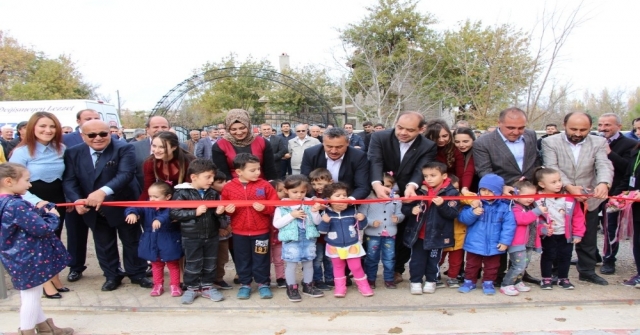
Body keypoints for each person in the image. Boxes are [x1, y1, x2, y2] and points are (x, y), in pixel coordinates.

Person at [62, 120, 151, 291]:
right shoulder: (73, 152)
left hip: (122, 203)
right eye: (92, 135)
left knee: (132, 240)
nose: (98, 138)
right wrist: (77, 200)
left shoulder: (124, 148)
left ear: (110, 133)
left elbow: (125, 174)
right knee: (103, 243)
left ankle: (137, 273)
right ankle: (112, 275)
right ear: (82, 136)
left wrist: (102, 192)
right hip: (93, 208)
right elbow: (70, 180)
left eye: (103, 134)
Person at [0, 163, 74, 335]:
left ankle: (43, 326)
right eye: (26, 180)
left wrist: (39, 211)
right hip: (29, 257)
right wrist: (52, 216)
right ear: (9, 181)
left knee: (32, 290)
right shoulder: (16, 205)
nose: (30, 185)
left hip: (16, 257)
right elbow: (40, 228)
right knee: (31, 296)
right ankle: (27, 330)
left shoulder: (6, 203)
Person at [542, 112, 613, 286]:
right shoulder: (549, 142)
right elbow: (552, 167)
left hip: (588, 199)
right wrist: (568, 187)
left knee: (587, 236)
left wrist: (604, 183)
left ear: (590, 128)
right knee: (559, 235)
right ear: (564, 124)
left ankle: (587, 271)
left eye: (583, 130)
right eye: (573, 129)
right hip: (559, 198)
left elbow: (603, 164)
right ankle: (556, 271)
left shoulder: (599, 142)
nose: (578, 133)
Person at [368, 111, 437, 284]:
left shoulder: (428, 146)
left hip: (408, 192)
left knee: (405, 230)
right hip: (380, 189)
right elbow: (375, 161)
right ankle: (368, 271)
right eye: (400, 127)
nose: (403, 133)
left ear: (421, 129)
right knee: (371, 229)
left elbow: (420, 169)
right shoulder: (379, 137)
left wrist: (412, 186)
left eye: (410, 130)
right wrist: (377, 185)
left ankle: (397, 269)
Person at [9, 112, 69, 298]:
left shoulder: (61, 148)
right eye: (42, 126)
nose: (48, 130)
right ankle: (45, 285)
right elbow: (13, 183)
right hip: (33, 202)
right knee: (39, 244)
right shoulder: (21, 152)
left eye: (52, 126)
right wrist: (38, 203)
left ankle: (55, 278)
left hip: (57, 200)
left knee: (54, 240)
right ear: (32, 128)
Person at [219, 153, 279, 300]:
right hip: (239, 232)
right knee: (242, 258)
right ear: (239, 171)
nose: (257, 173)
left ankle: (263, 283)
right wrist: (228, 210)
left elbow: (275, 205)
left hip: (261, 231)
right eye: (252, 170)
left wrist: (264, 208)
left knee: (261, 257)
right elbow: (224, 204)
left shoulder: (264, 185)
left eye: (258, 169)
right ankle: (245, 284)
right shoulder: (229, 187)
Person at [170, 159, 225, 304]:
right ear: (194, 177)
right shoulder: (182, 193)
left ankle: (207, 286)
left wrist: (219, 212)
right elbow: (174, 213)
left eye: (213, 177)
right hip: (191, 236)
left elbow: (218, 215)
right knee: (193, 263)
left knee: (210, 262)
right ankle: (192, 288)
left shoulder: (213, 193)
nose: (211, 180)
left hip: (211, 235)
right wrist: (194, 213)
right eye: (208, 177)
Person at [404, 162, 459, 295]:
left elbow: (453, 214)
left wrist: (442, 205)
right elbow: (404, 207)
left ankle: (431, 280)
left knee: (434, 260)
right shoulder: (419, 189)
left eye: (433, 175)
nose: (429, 178)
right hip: (419, 234)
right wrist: (412, 210)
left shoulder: (451, 192)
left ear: (444, 176)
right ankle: (415, 281)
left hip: (438, 234)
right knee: (417, 260)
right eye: (426, 175)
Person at [457, 174, 516, 295]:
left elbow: (509, 226)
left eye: (491, 191)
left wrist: (505, 242)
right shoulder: (474, 203)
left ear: (499, 191)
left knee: (492, 266)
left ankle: (488, 282)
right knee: (472, 264)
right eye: (483, 190)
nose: (486, 193)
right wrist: (473, 212)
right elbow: (463, 219)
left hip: (494, 243)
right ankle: (469, 281)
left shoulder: (505, 206)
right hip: (474, 242)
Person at [61, 109, 102, 283]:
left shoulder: (108, 138)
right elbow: (66, 174)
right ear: (78, 121)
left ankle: (111, 268)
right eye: (88, 119)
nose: (92, 121)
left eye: (95, 118)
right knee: (76, 234)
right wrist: (73, 198)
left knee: (103, 234)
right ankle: (76, 266)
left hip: (101, 197)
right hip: (75, 197)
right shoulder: (66, 140)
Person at [125, 181, 182, 297]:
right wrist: (132, 213)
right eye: (150, 196)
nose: (152, 199)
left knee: (173, 264)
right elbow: (135, 207)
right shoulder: (147, 205)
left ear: (168, 197)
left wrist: (159, 219)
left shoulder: (172, 206)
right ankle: (157, 285)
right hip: (151, 240)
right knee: (156, 265)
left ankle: (175, 285)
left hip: (169, 240)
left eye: (155, 197)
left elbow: (170, 214)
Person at [273, 175, 324, 302]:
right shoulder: (282, 206)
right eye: (294, 192)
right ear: (286, 190)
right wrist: (291, 215)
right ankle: (291, 287)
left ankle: (308, 285)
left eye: (302, 191)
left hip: (308, 239)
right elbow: (277, 224)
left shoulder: (309, 203)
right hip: (291, 240)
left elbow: (318, 222)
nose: (299, 195)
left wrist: (314, 211)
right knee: (291, 265)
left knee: (309, 263)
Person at [317, 182, 373, 298]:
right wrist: (325, 222)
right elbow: (321, 232)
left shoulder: (353, 211)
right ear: (328, 199)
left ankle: (364, 286)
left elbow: (361, 227)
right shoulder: (325, 213)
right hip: (334, 245)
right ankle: (340, 287)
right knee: (338, 267)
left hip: (352, 244)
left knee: (356, 267)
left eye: (344, 195)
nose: (342, 197)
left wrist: (362, 219)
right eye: (338, 195)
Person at [597, 113, 636, 275]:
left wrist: (609, 153)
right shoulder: (594, 141)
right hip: (594, 192)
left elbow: (628, 168)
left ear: (618, 127)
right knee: (587, 226)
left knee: (610, 228)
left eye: (607, 125)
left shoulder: (630, 144)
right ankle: (590, 256)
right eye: (600, 125)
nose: (603, 128)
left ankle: (609, 260)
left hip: (615, 193)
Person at [534, 167, 585, 290]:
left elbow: (578, 216)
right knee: (548, 255)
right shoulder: (536, 198)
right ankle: (546, 278)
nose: (558, 184)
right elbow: (535, 218)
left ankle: (563, 278)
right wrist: (542, 228)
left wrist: (578, 233)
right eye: (553, 182)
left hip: (565, 233)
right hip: (548, 234)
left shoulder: (569, 197)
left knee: (565, 256)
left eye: (559, 180)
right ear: (541, 184)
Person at [500, 180, 546, 296]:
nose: (530, 198)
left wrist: (543, 229)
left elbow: (533, 225)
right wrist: (537, 211)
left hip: (529, 242)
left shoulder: (530, 207)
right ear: (516, 196)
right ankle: (506, 284)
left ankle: (517, 282)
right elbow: (522, 220)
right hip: (517, 243)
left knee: (524, 265)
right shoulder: (515, 207)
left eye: (533, 195)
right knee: (518, 265)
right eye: (527, 195)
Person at [360, 172, 404, 290]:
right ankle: (370, 279)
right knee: (371, 258)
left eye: (389, 186)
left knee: (389, 258)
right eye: (382, 185)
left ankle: (389, 279)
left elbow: (400, 214)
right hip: (372, 234)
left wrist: (398, 218)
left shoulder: (396, 199)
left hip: (390, 234)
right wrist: (370, 222)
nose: (385, 189)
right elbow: (361, 215)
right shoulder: (368, 198)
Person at [300, 127, 370, 200]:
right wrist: (314, 198)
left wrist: (349, 200)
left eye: (339, 147)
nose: (333, 151)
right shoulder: (310, 153)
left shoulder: (358, 156)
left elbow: (363, 186)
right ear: (323, 143)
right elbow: (305, 181)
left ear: (348, 143)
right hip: (317, 200)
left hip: (347, 198)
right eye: (329, 146)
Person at [212, 109, 277, 181]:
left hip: (260, 186)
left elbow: (270, 169)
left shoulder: (262, 142)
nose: (239, 132)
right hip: (233, 186)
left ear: (248, 126)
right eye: (233, 129)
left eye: (242, 128)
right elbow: (222, 172)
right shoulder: (220, 145)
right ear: (228, 129)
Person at [140, 131, 194, 200]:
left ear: (174, 147)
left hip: (185, 200)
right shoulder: (150, 162)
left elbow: (192, 190)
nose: (156, 150)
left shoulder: (188, 161)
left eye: (162, 147)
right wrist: (136, 209)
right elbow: (148, 189)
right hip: (162, 200)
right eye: (154, 146)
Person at [614, 142, 640, 287]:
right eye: (637, 129)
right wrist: (618, 194)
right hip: (635, 206)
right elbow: (629, 176)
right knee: (637, 241)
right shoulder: (636, 152)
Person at [425, 119, 473, 191]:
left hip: (452, 186)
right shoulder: (425, 149)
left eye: (444, 136)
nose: (441, 140)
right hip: (429, 186)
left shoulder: (454, 149)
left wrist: (462, 188)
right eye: (437, 137)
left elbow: (461, 172)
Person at [438, 175, 467, 288]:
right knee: (438, 259)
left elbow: (471, 198)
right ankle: (435, 275)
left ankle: (453, 277)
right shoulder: (441, 200)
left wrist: (464, 193)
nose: (454, 192)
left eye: (456, 189)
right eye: (450, 189)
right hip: (443, 235)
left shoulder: (461, 200)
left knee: (456, 261)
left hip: (459, 237)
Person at [308, 168, 334, 290]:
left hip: (331, 233)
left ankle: (330, 278)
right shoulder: (311, 197)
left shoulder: (334, 195)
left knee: (329, 258)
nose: (316, 186)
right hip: (317, 235)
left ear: (330, 182)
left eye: (319, 183)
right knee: (317, 259)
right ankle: (317, 280)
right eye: (313, 184)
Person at [131, 116, 171, 189]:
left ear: (169, 128)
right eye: (155, 127)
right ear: (147, 129)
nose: (160, 130)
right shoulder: (133, 147)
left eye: (164, 127)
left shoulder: (181, 147)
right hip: (142, 193)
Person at [212, 171, 233, 290]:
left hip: (225, 235)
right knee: (211, 258)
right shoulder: (210, 197)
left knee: (222, 258)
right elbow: (211, 215)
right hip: (213, 234)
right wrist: (218, 228)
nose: (224, 184)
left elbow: (231, 212)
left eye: (225, 181)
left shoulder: (228, 195)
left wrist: (230, 226)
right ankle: (208, 280)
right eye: (220, 182)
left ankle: (219, 279)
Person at [269, 179, 287, 289]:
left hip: (279, 238)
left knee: (279, 259)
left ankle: (281, 278)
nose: (283, 192)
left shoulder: (284, 206)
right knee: (266, 260)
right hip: (266, 237)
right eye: (279, 190)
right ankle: (266, 278)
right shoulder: (267, 206)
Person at [453, 128, 478, 193]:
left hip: (474, 187)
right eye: (457, 142)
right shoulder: (451, 152)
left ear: (473, 140)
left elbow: (469, 170)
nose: (461, 145)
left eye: (465, 141)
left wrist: (465, 188)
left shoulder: (477, 151)